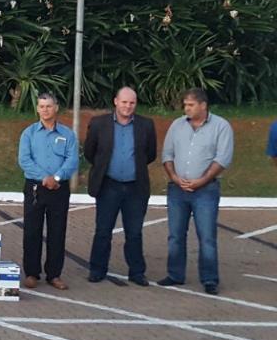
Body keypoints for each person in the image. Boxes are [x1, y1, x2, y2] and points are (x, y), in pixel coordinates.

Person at [158, 88, 233, 296]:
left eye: (190, 105)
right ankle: (175, 274)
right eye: (185, 105)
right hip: (177, 189)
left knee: (207, 235)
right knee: (175, 235)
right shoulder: (177, 125)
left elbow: (222, 159)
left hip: (206, 190)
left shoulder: (221, 126)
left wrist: (202, 180)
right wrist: (173, 177)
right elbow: (167, 154)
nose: (186, 109)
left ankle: (209, 279)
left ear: (203, 105)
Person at [85, 87, 157, 286]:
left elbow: (150, 154)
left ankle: (137, 272)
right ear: (116, 101)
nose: (128, 106)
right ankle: (97, 269)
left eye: (132, 103)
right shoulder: (99, 124)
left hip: (135, 188)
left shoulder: (146, 125)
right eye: (124, 102)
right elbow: (90, 152)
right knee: (103, 230)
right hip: (108, 185)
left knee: (134, 232)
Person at [17, 92, 78, 291]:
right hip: (35, 188)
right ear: (37, 109)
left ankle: (54, 274)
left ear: (56, 108)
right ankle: (32, 273)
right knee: (32, 231)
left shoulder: (68, 134)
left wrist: (57, 178)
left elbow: (72, 160)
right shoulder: (29, 133)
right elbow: (24, 160)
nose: (45, 110)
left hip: (59, 189)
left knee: (57, 232)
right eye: (42, 106)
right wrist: (45, 178)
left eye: (49, 106)